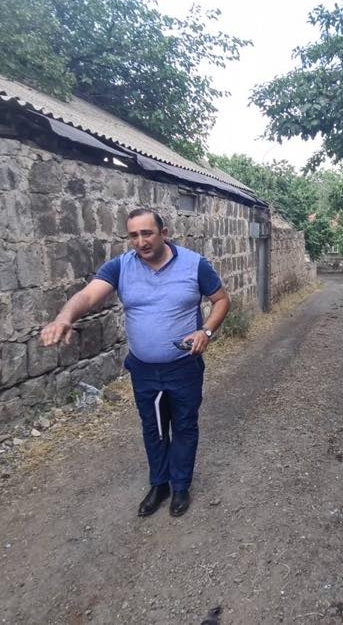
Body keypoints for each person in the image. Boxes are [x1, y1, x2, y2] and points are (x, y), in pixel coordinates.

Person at [40, 208, 230, 518]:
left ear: (164, 233)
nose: (141, 241)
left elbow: (222, 300)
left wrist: (206, 331)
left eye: (147, 233)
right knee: (153, 428)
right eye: (133, 235)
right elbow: (88, 296)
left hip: (184, 367)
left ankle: (180, 486)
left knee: (184, 426)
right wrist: (64, 317)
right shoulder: (120, 267)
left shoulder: (195, 265)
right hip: (144, 370)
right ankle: (160, 484)